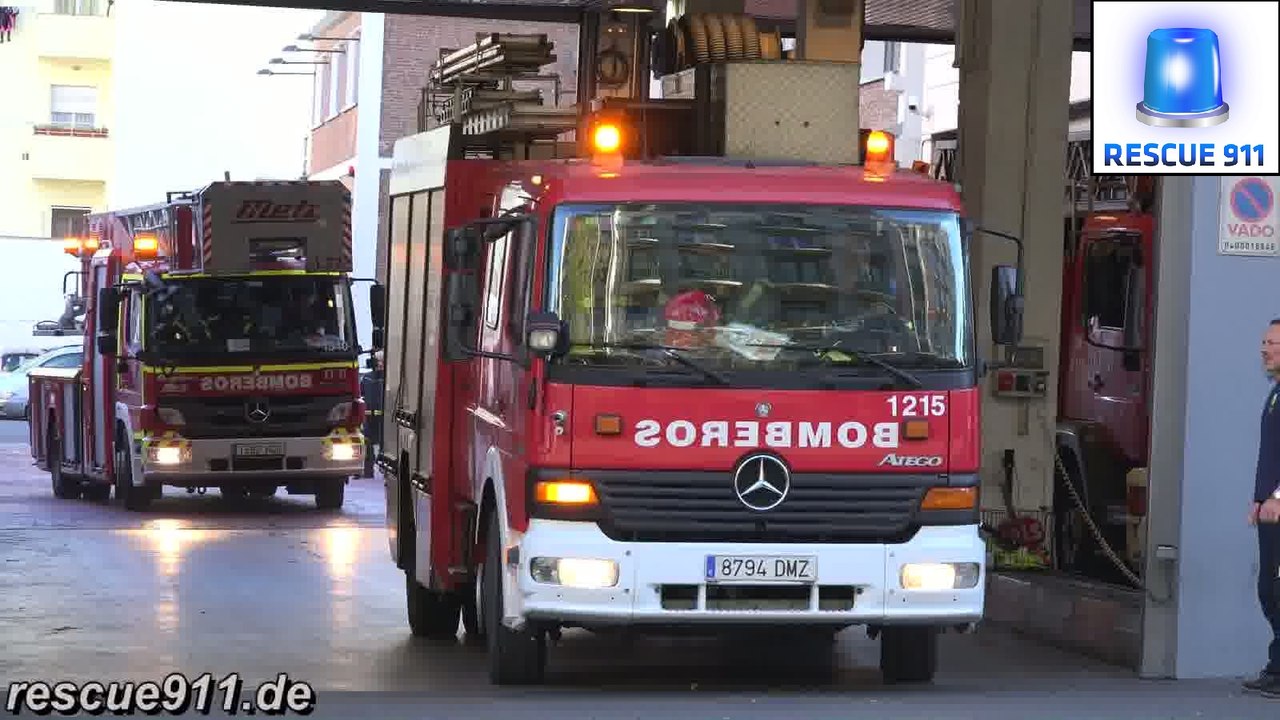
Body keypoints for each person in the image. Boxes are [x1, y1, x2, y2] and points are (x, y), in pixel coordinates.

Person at [1245, 318, 1280, 698]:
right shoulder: (1275, 394)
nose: (1264, 349)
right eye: (1264, 342)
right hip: (1271, 513)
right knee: (1269, 589)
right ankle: (1277, 666)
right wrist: (1258, 500)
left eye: (1272, 343)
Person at [360, 351, 384, 479]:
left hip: (383, 417)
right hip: (369, 416)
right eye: (378, 361)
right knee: (367, 442)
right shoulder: (367, 377)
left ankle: (385, 470)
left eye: (382, 361)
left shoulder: (389, 378)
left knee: (384, 444)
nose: (380, 364)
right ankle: (367, 470)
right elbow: (361, 394)